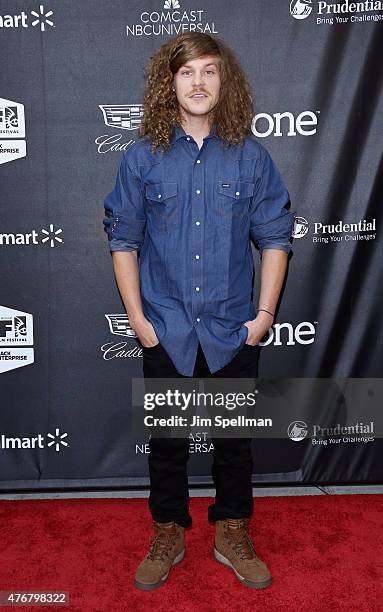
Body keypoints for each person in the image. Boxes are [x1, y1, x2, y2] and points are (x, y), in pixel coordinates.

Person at [103, 32, 296, 591]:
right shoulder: (141, 157)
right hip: (165, 328)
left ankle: (232, 530)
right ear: (170, 83)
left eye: (209, 71)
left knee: (234, 446)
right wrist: (140, 322)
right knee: (167, 446)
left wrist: (263, 317)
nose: (198, 82)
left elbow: (276, 237)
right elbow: (123, 241)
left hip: (233, 329)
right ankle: (168, 532)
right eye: (187, 72)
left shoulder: (252, 156)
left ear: (223, 82)